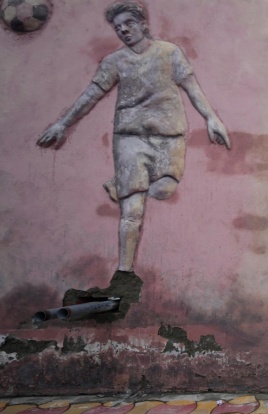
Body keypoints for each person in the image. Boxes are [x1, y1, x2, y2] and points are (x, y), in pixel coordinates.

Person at [36, 0, 230, 282]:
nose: (123, 30)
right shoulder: (115, 62)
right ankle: (124, 272)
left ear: (143, 24)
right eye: (118, 27)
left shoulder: (169, 52)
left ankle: (122, 184)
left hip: (169, 136)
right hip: (130, 138)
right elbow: (91, 95)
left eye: (128, 24)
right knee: (132, 210)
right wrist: (62, 124)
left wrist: (211, 118)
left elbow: (192, 87)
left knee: (163, 189)